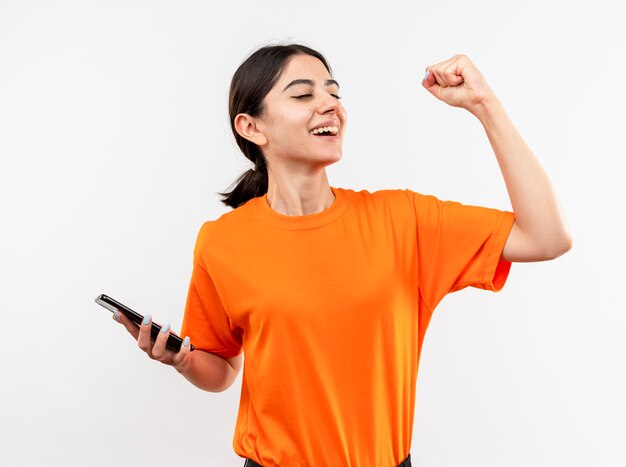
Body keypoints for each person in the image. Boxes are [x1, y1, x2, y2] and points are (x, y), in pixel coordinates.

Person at [112, 43, 572, 467]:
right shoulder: (221, 241)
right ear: (252, 127)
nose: (330, 104)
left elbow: (547, 237)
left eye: (333, 92)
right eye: (302, 95)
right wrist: (182, 359)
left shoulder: (403, 220)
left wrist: (484, 106)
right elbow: (224, 369)